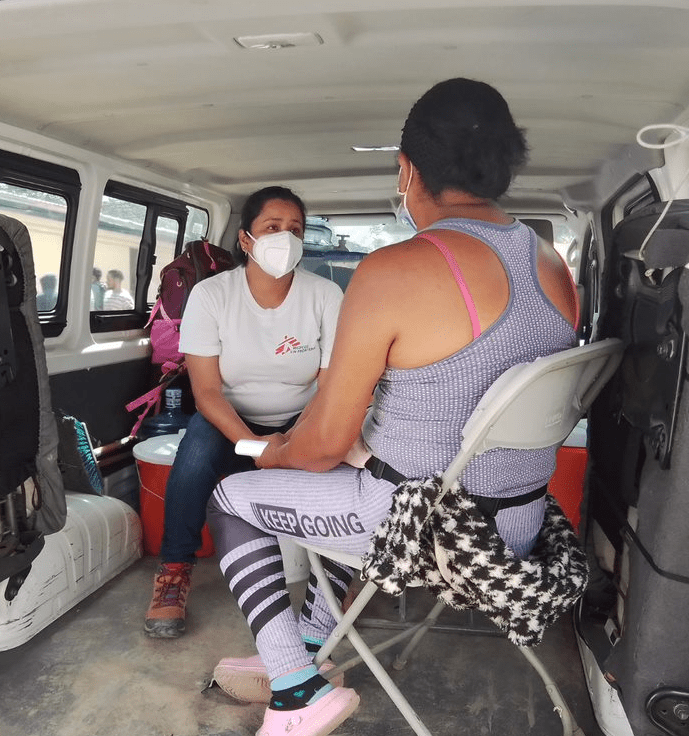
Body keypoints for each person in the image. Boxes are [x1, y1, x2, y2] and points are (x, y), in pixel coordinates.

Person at [205, 78, 579, 736]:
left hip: (421, 529)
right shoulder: (552, 267)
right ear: (502, 163)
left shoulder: (395, 269)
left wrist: (275, 450)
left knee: (238, 496)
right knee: (328, 490)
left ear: (407, 170)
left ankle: (294, 688)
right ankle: (310, 645)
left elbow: (319, 446)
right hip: (518, 525)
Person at [143, 186, 344, 640]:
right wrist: (254, 446)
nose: (285, 238)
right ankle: (174, 570)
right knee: (192, 460)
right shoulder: (212, 295)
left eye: (295, 229)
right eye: (272, 228)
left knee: (342, 464)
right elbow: (207, 392)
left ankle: (334, 582)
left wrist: (295, 441)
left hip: (303, 416)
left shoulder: (325, 295)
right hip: (228, 419)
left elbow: (331, 387)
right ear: (246, 239)